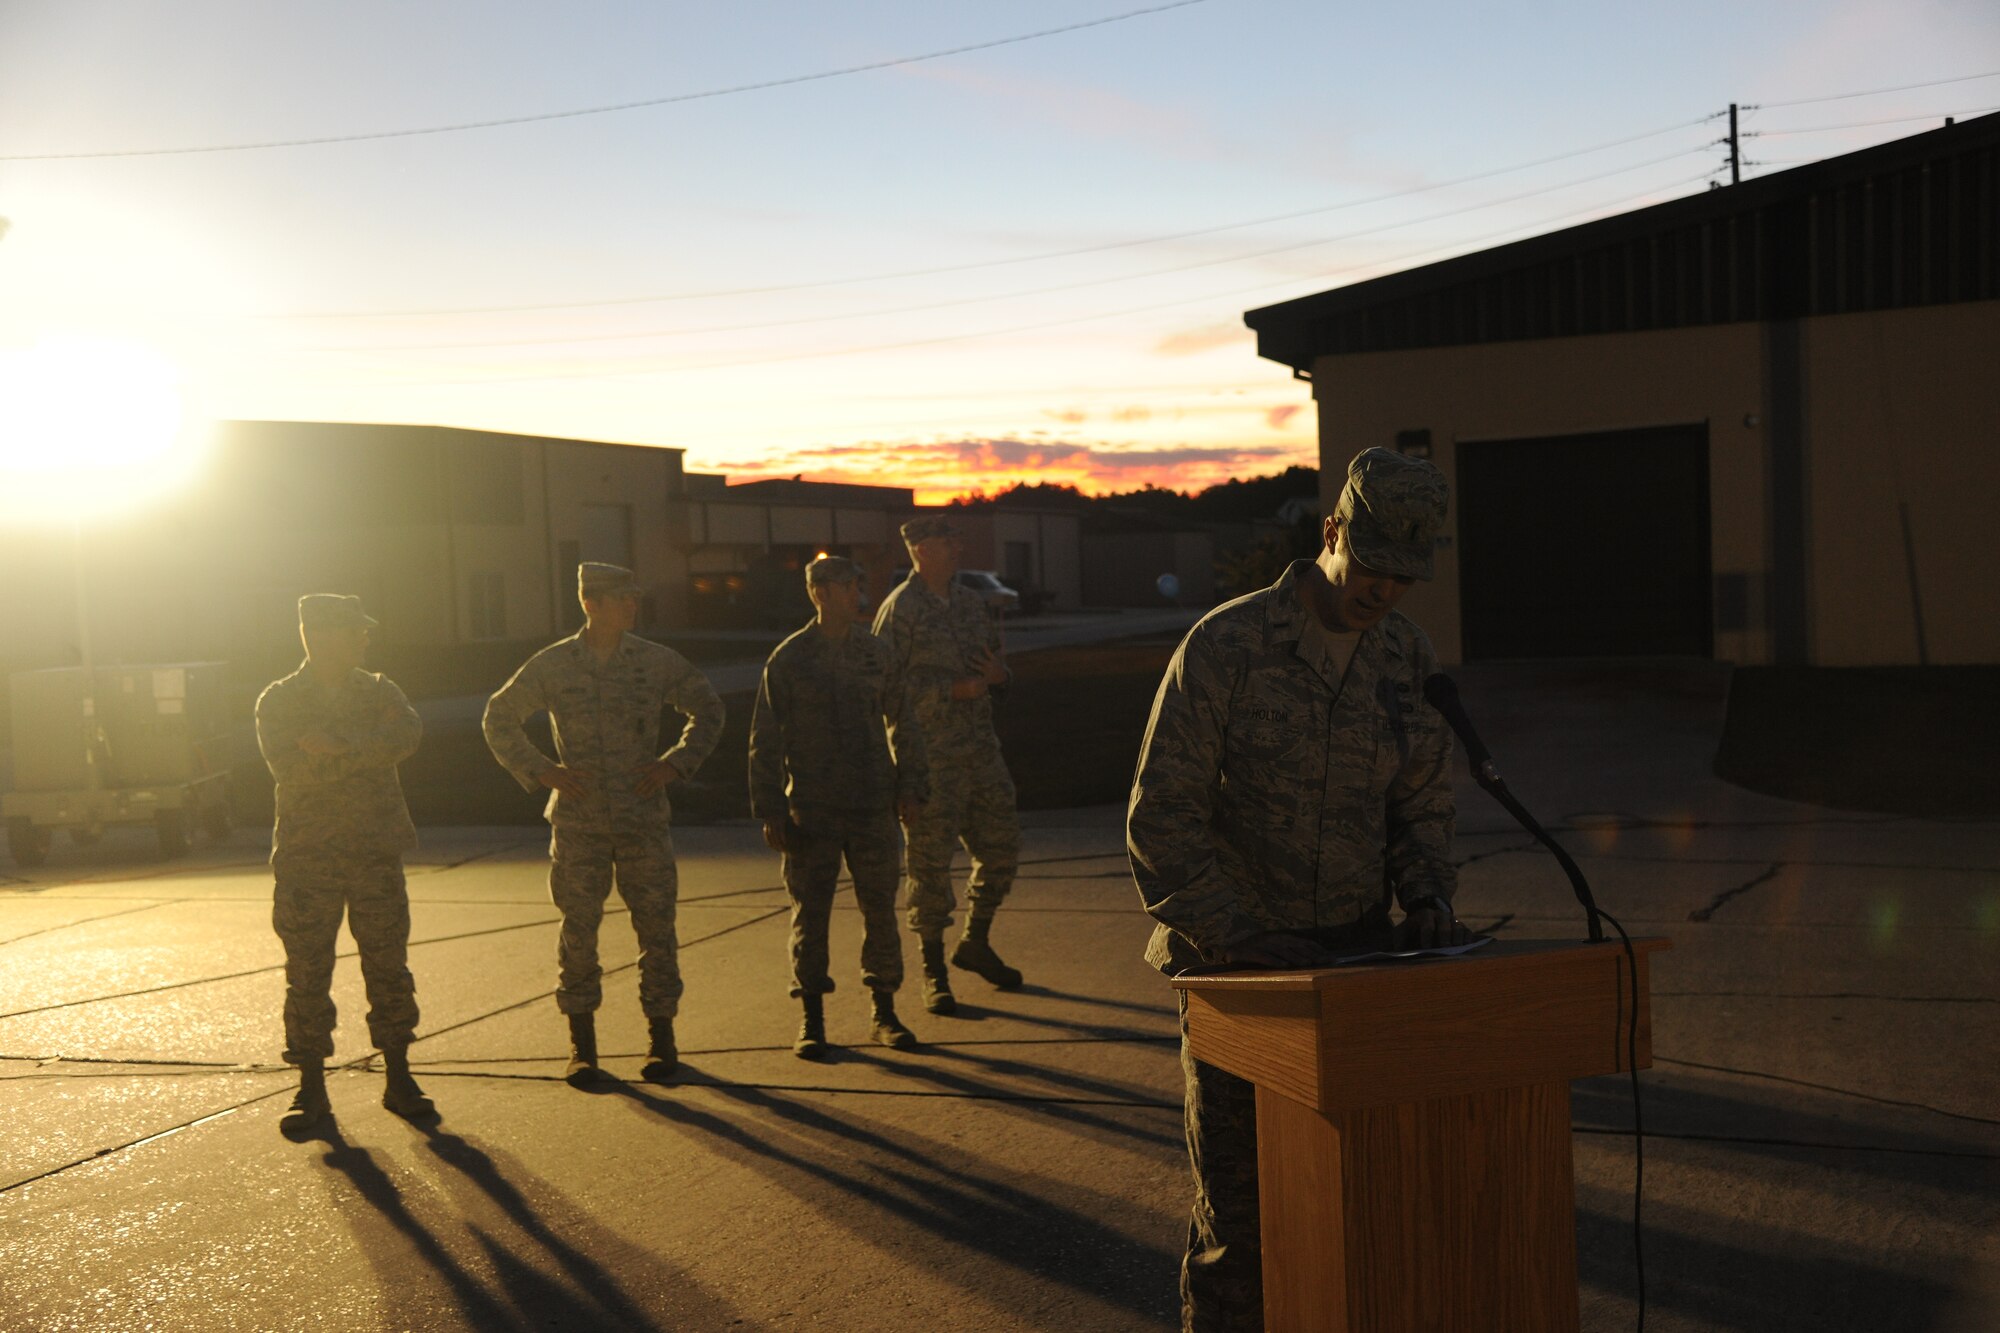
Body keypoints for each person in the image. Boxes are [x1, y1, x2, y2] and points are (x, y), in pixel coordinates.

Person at [1127, 448, 1472, 1333]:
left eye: (1405, 574)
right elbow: (1161, 815)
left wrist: (1428, 895)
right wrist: (1232, 931)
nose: (1385, 590)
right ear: (1330, 536)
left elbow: (1422, 798)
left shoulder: (1405, 656)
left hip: (1355, 967)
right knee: (1241, 1230)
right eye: (1371, 566)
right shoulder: (1227, 645)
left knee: (1353, 1210)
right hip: (1241, 975)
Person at [483, 562, 724, 1088]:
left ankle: (662, 1041)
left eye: (634, 598)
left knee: (657, 930)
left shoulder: (655, 662)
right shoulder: (554, 665)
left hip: (642, 819)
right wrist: (542, 770)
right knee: (579, 934)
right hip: (580, 823)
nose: (632, 606)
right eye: (621, 598)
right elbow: (498, 717)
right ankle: (582, 1048)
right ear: (591, 604)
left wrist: (675, 763)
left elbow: (707, 708)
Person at [255, 593, 432, 1135]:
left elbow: (407, 736)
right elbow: (290, 770)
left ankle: (399, 1076)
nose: (364, 638)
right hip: (308, 860)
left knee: (388, 968)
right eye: (354, 630)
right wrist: (363, 752)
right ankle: (310, 1088)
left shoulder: (379, 689)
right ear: (319, 634)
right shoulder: (280, 700)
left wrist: (338, 747)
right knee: (307, 974)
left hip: (374, 853)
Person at [748, 555, 927, 1056]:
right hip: (813, 808)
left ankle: (885, 1012)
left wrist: (912, 785)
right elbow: (765, 738)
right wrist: (770, 810)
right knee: (811, 913)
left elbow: (903, 722)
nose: (858, 595)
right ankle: (812, 1019)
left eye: (858, 586)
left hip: (873, 803)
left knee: (881, 911)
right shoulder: (789, 659)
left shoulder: (877, 654)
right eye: (849, 587)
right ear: (820, 593)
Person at [871, 514, 1022, 1015]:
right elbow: (881, 689)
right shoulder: (900, 611)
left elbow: (995, 663)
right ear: (921, 550)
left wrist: (1000, 675)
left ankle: (975, 942)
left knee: (1001, 849)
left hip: (981, 751)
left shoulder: (970, 602)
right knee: (930, 868)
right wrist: (948, 690)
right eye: (947, 541)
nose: (958, 548)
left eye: (958, 539)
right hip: (927, 760)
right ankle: (933, 973)